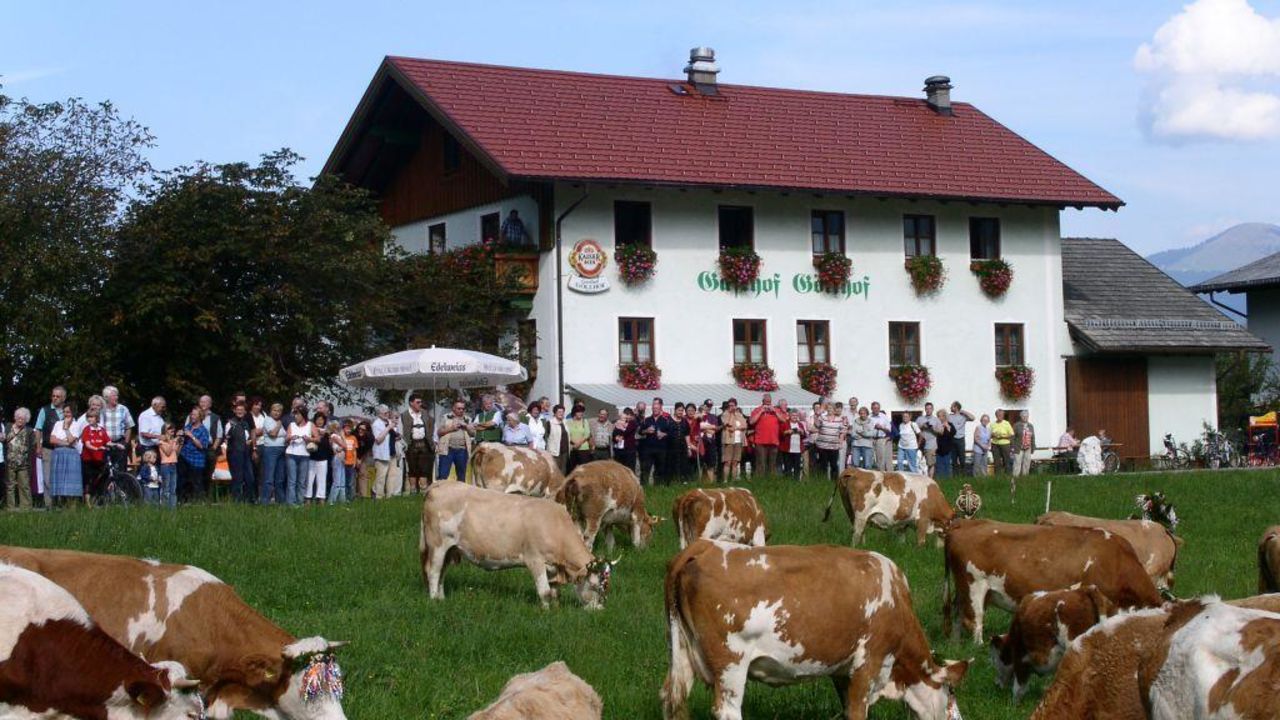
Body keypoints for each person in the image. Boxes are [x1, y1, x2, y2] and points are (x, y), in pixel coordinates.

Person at [34, 385, 66, 499]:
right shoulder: (45, 410)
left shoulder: (67, 411)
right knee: (47, 478)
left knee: (61, 477)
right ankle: (49, 506)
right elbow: (38, 429)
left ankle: (61, 503)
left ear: (63, 398)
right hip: (47, 448)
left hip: (63, 449)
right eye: (53, 396)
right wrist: (38, 447)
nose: (55, 398)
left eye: (58, 396)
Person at [48, 404, 82, 507]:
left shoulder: (77, 425)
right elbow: (52, 440)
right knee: (59, 480)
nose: (66, 414)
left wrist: (66, 428)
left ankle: (72, 505)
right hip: (58, 453)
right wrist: (65, 442)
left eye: (68, 412)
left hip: (71, 454)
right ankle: (59, 504)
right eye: (64, 412)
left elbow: (72, 440)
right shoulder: (58, 424)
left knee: (71, 479)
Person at [400, 395, 434, 494]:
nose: (420, 404)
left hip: (424, 443)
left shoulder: (426, 414)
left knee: (424, 468)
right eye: (418, 402)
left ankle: (423, 490)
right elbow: (400, 431)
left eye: (421, 402)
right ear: (411, 403)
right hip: (411, 444)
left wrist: (433, 442)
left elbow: (432, 427)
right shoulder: (404, 415)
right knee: (412, 468)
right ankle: (413, 490)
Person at [224, 402, 256, 503]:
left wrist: (250, 442)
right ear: (234, 411)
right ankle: (237, 501)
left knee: (250, 477)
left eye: (242, 410)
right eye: (238, 410)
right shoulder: (230, 423)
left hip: (246, 453)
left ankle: (248, 500)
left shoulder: (246, 424)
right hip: (235, 453)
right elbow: (226, 439)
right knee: (237, 478)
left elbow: (249, 437)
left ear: (245, 412)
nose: (240, 412)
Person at [4, 408, 35, 510]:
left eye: (23, 419)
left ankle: (26, 508)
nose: (20, 420)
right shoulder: (8, 427)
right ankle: (10, 507)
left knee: (24, 486)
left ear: (26, 420)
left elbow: (31, 446)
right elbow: (4, 440)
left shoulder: (29, 431)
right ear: (15, 418)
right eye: (18, 418)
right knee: (10, 486)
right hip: (9, 462)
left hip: (23, 463)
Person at [435, 400, 474, 481]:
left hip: (462, 450)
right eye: (459, 408)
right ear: (453, 408)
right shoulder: (445, 417)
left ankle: (460, 493)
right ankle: (441, 492)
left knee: (461, 476)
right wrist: (451, 428)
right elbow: (439, 432)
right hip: (447, 449)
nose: (461, 410)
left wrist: (466, 427)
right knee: (443, 475)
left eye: (463, 409)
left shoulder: (467, 419)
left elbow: (473, 434)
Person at [749, 393, 785, 477]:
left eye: (769, 402)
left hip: (773, 441)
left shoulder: (776, 410)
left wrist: (775, 411)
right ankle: (760, 481)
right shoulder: (757, 410)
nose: (768, 404)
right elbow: (752, 422)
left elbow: (783, 420)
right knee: (761, 464)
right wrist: (761, 411)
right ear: (763, 401)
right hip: (761, 441)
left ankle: (771, 481)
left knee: (772, 465)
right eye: (766, 402)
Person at [100, 386, 135, 471]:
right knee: (106, 469)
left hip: (120, 443)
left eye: (117, 395)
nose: (117, 397)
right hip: (106, 444)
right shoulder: (102, 410)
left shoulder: (123, 409)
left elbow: (129, 426)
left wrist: (126, 443)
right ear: (106, 397)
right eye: (114, 395)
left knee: (121, 469)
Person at [257, 403, 286, 504]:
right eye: (275, 410)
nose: (277, 413)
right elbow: (273, 434)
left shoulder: (279, 422)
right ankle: (265, 501)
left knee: (280, 477)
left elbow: (285, 436)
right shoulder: (268, 420)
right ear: (271, 411)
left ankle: (280, 501)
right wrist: (278, 425)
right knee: (269, 477)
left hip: (281, 450)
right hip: (271, 450)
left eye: (279, 411)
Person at [80, 409, 110, 504]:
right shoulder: (87, 430)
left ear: (97, 418)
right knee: (89, 480)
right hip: (89, 459)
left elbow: (107, 441)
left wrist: (116, 445)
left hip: (99, 459)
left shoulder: (102, 430)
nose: (90, 419)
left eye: (92, 417)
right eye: (88, 417)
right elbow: (87, 444)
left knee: (101, 479)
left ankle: (97, 499)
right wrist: (97, 448)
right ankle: (87, 503)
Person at [284, 407, 313, 506]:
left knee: (302, 481)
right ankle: (291, 503)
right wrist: (290, 437)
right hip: (291, 454)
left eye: (297, 414)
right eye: (295, 414)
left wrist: (309, 439)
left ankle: (300, 501)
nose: (295, 416)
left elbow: (317, 439)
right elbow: (286, 439)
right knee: (292, 480)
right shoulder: (291, 425)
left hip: (304, 455)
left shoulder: (310, 425)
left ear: (303, 415)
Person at [198, 395, 223, 497]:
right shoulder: (193, 415)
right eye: (201, 402)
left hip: (209, 448)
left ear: (210, 404)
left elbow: (219, 434)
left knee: (209, 473)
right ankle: (197, 496)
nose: (203, 404)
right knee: (197, 473)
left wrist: (214, 448)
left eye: (205, 402)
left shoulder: (215, 418)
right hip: (196, 449)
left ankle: (208, 496)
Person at [304, 411, 331, 504]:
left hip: (323, 459)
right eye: (318, 419)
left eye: (322, 420)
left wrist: (325, 435)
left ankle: (321, 499)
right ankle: (308, 498)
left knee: (322, 480)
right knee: (309, 479)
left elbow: (328, 446)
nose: (320, 421)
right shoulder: (311, 431)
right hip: (312, 458)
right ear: (314, 421)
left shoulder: (327, 433)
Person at [813, 403, 844, 481]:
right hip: (822, 446)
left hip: (834, 446)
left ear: (834, 410)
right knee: (823, 465)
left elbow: (842, 432)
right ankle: (822, 482)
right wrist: (817, 415)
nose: (830, 410)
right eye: (828, 408)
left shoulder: (840, 419)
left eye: (831, 408)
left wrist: (840, 442)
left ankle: (834, 482)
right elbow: (817, 425)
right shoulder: (822, 418)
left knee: (834, 465)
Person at [370, 405, 396, 497]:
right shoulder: (376, 424)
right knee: (381, 477)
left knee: (392, 476)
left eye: (388, 412)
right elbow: (378, 439)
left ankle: (390, 496)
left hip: (392, 453)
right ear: (379, 414)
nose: (387, 414)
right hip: (382, 454)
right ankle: (378, 496)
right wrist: (388, 428)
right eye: (384, 412)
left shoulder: (389, 422)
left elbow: (394, 435)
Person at [720, 399, 747, 483]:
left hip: (738, 441)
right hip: (729, 440)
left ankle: (733, 480)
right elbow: (728, 424)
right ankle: (725, 480)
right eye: (730, 406)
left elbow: (744, 425)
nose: (731, 407)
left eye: (733, 405)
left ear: (736, 406)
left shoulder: (739, 414)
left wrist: (736, 428)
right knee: (727, 461)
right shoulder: (725, 414)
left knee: (735, 462)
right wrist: (731, 414)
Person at [948, 402, 976, 475]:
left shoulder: (963, 416)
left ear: (956, 407)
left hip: (960, 439)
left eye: (952, 406)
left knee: (962, 459)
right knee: (954, 459)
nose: (950, 408)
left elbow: (973, 418)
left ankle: (963, 475)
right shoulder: (949, 416)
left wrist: (963, 411)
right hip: (952, 439)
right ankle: (955, 476)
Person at [780, 409, 807, 480]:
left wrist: (802, 432)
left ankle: (796, 481)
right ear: (789, 416)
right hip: (787, 449)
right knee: (787, 467)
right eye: (793, 415)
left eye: (796, 415)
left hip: (797, 449)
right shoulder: (785, 423)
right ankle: (787, 481)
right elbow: (780, 434)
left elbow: (804, 436)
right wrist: (787, 432)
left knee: (797, 467)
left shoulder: (800, 424)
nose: (795, 417)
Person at [698, 401, 721, 483]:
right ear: (704, 406)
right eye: (707, 406)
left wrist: (704, 428)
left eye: (710, 406)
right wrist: (709, 428)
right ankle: (699, 481)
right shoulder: (699, 415)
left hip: (710, 442)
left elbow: (714, 429)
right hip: (701, 442)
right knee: (700, 463)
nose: (708, 408)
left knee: (711, 463)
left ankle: (711, 482)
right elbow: (698, 426)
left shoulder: (713, 417)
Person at [565, 404, 592, 474]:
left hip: (583, 449)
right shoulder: (568, 422)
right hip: (572, 448)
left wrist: (579, 443)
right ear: (574, 412)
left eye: (582, 412)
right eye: (578, 411)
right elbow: (567, 433)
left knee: (584, 470)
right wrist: (574, 443)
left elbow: (587, 434)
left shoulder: (585, 421)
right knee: (571, 470)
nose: (581, 413)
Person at [158, 423, 179, 509]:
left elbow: (176, 454)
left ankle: (172, 509)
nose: (172, 430)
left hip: (173, 465)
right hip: (166, 466)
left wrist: (180, 444)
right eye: (169, 428)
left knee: (173, 489)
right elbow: (167, 452)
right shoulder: (161, 442)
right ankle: (165, 508)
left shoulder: (174, 441)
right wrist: (172, 441)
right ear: (164, 431)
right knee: (166, 489)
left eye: (173, 428)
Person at [327, 421, 348, 504]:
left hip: (341, 457)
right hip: (337, 458)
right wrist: (343, 436)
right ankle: (332, 500)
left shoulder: (338, 436)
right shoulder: (334, 436)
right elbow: (345, 446)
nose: (339, 428)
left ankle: (341, 499)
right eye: (337, 426)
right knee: (337, 480)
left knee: (342, 480)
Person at [918, 402, 941, 477]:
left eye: (930, 408)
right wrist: (922, 426)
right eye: (927, 409)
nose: (928, 410)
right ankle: (922, 479)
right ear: (925, 409)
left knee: (930, 464)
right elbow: (914, 429)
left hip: (931, 445)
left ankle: (930, 480)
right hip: (920, 444)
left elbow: (941, 432)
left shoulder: (936, 420)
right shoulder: (920, 419)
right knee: (920, 463)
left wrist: (932, 428)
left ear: (933, 409)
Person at [545, 404, 569, 475]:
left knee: (563, 470)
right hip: (554, 452)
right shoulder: (549, 423)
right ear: (555, 413)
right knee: (555, 471)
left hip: (564, 451)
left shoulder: (565, 422)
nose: (561, 413)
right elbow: (545, 437)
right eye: (559, 412)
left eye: (562, 412)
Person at [1013, 410, 1036, 479]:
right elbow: (1012, 437)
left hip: (1028, 447)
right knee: (1017, 463)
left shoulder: (1030, 426)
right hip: (1019, 447)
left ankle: (1025, 478)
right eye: (1023, 416)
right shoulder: (1016, 425)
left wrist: (1033, 447)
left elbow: (1033, 437)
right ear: (1021, 417)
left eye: (1026, 416)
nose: (1025, 417)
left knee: (1027, 463)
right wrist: (1013, 446)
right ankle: (1015, 478)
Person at [870, 402, 893, 471]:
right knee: (871, 458)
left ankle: (881, 474)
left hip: (881, 439)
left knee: (881, 459)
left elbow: (889, 430)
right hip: (870, 439)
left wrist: (881, 427)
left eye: (878, 408)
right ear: (871, 408)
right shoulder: (869, 417)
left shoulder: (884, 417)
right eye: (874, 408)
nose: (876, 409)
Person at [990, 409, 1014, 474]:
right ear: (996, 415)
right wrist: (992, 435)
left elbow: (1011, 435)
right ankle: (998, 477)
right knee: (996, 462)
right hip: (995, 444)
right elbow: (990, 435)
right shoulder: (992, 424)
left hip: (1005, 444)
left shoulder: (1006, 423)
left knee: (1006, 461)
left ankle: (1008, 476)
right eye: (998, 415)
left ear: (1003, 416)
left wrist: (1003, 437)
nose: (1000, 416)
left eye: (1001, 415)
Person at [935, 409, 956, 479]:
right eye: (938, 416)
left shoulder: (950, 424)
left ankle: (948, 481)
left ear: (944, 417)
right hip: (938, 450)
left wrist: (947, 426)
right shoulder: (937, 425)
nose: (938, 418)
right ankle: (940, 481)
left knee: (947, 466)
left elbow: (953, 433)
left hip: (947, 449)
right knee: (939, 467)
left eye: (940, 416)